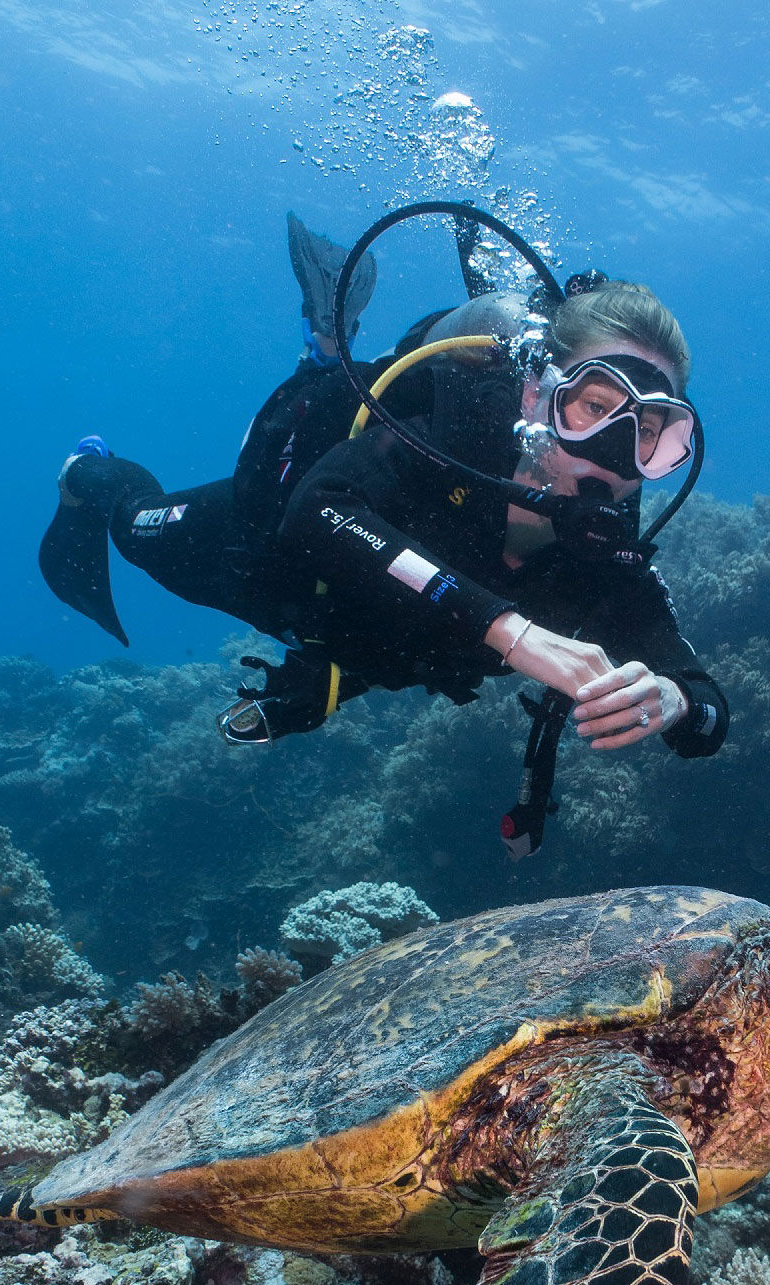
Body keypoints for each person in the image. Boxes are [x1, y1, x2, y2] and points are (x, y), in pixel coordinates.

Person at [38, 212, 729, 826]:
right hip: (271, 554)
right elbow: (320, 508)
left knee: (362, 652)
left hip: (371, 640)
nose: (615, 453)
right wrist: (514, 633)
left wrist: (672, 699)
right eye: (593, 405)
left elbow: (706, 710)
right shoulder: (450, 429)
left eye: (651, 430)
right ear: (537, 388)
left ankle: (327, 676)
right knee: (134, 526)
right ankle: (85, 472)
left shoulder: (604, 546)